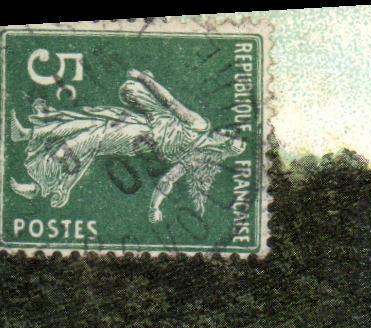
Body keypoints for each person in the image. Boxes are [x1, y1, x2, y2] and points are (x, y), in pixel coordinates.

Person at [9, 69, 246, 222]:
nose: (225, 131)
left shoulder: (199, 126)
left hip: (139, 137)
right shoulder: (199, 150)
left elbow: (170, 102)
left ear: (225, 145)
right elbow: (167, 181)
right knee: (91, 120)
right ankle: (29, 133)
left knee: (90, 138)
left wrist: (144, 79)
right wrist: (154, 208)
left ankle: (40, 184)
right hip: (140, 127)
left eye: (228, 136)